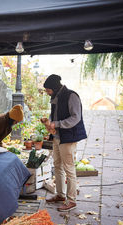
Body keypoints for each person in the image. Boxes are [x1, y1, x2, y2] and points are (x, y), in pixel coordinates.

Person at [42, 74, 87, 212]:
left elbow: (76, 118)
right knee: (57, 165)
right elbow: (54, 115)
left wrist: (57, 124)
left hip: (68, 137)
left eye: (48, 90)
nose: (47, 92)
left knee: (69, 168)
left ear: (54, 88)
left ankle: (72, 200)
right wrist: (50, 123)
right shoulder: (55, 96)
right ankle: (61, 195)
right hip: (57, 136)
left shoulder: (71, 96)